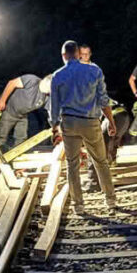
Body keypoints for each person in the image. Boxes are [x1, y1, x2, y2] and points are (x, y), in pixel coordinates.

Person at [49, 40, 116, 213]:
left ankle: (78, 205)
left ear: (64, 56)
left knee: (72, 164)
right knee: (101, 161)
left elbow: (54, 107)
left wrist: (54, 127)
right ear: (79, 54)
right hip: (90, 122)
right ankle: (110, 200)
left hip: (69, 123)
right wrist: (111, 122)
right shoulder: (94, 71)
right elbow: (103, 100)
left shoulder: (57, 75)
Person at [0, 74, 51, 150]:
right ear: (46, 81)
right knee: (1, 138)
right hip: (9, 111)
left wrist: (56, 126)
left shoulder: (46, 97)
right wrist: (2, 100)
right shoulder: (32, 80)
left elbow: (50, 110)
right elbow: (12, 83)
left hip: (23, 116)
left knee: (21, 140)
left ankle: (14, 156)